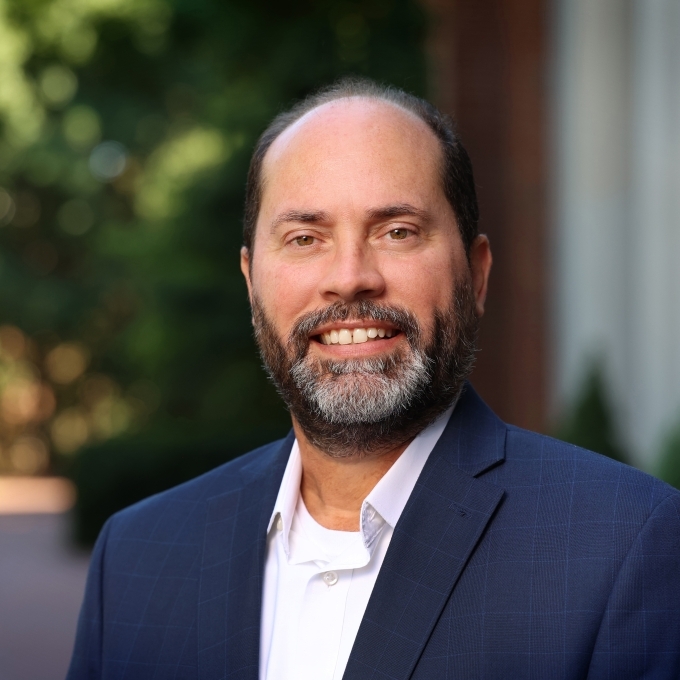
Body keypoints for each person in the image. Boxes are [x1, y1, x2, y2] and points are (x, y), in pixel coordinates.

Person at [67, 78, 680, 680]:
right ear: (252, 284)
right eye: (305, 238)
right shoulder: (136, 557)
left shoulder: (626, 546)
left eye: (398, 232)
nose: (350, 277)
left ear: (478, 275)